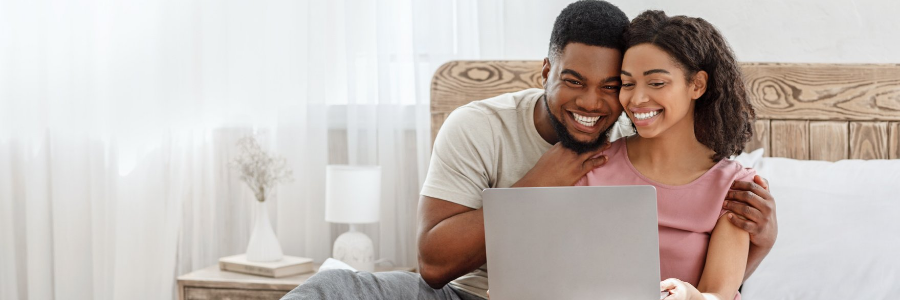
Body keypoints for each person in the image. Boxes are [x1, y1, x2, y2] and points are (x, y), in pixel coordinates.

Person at [281, 1, 776, 299]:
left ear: (695, 87)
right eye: (575, 81)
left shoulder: (688, 158)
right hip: (458, 293)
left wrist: (763, 243)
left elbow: (713, 284)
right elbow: (433, 265)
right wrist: (537, 185)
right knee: (334, 288)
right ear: (545, 72)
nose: (598, 102)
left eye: (612, 86)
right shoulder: (489, 128)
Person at [576, 9, 765, 300]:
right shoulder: (593, 166)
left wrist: (693, 297)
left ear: (697, 85)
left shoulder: (733, 186)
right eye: (627, 83)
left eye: (656, 83)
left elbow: (720, 293)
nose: (637, 99)